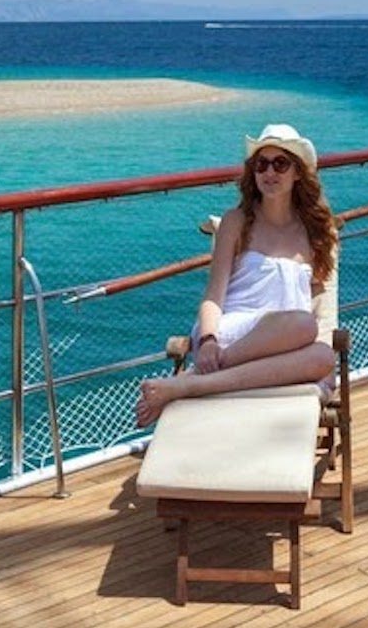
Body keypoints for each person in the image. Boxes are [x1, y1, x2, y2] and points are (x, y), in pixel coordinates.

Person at [133, 124, 340, 427]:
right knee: (303, 322)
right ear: (252, 172)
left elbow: (319, 300)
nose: (270, 172)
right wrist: (208, 341)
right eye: (261, 164)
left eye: (280, 163)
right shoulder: (237, 221)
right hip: (231, 338)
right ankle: (206, 370)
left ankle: (189, 383)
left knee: (323, 357)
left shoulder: (316, 233)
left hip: (279, 348)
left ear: (298, 173)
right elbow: (213, 296)